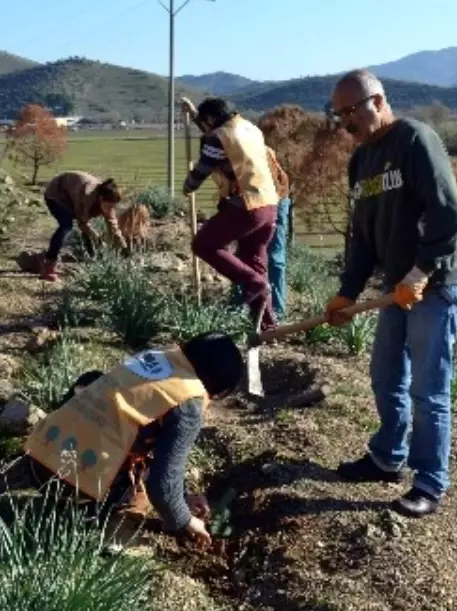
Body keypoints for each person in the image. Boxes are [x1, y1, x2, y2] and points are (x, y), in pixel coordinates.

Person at [322, 70, 457, 518]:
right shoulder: (360, 162)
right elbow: (362, 238)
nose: (346, 122)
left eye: (352, 110)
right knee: (386, 376)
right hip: (396, 287)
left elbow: (447, 217)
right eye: (339, 114)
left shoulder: (414, 140)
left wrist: (421, 272)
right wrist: (347, 292)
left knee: (429, 389)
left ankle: (430, 482)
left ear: (378, 100)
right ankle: (388, 456)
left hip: (436, 282)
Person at [22, 331, 244, 549]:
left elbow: (90, 382)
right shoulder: (188, 404)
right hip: (74, 486)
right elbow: (162, 486)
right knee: (140, 494)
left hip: (36, 459)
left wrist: (183, 495)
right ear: (217, 388)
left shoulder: (154, 360)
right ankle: (110, 530)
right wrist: (185, 520)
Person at [179, 96, 281, 332]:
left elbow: (204, 165)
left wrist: (189, 186)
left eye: (204, 122)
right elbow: (218, 137)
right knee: (254, 262)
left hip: (246, 206)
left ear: (211, 119)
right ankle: (267, 326)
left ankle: (253, 283)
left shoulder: (218, 136)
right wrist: (195, 115)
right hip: (269, 204)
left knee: (204, 245)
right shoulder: (249, 128)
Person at [230, 146, 293, 321]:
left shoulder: (255, 153)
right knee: (243, 255)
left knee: (274, 257)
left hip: (274, 198)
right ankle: (240, 303)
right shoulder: (226, 149)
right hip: (247, 200)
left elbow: (268, 186)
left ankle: (276, 310)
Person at [39, 171, 126, 281]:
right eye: (108, 207)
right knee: (66, 225)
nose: (110, 210)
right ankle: (49, 265)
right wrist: (98, 241)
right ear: (101, 199)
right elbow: (82, 224)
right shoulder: (86, 197)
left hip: (72, 194)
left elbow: (113, 227)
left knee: (88, 234)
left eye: (113, 207)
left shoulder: (108, 202)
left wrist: (123, 247)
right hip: (57, 193)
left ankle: (92, 262)